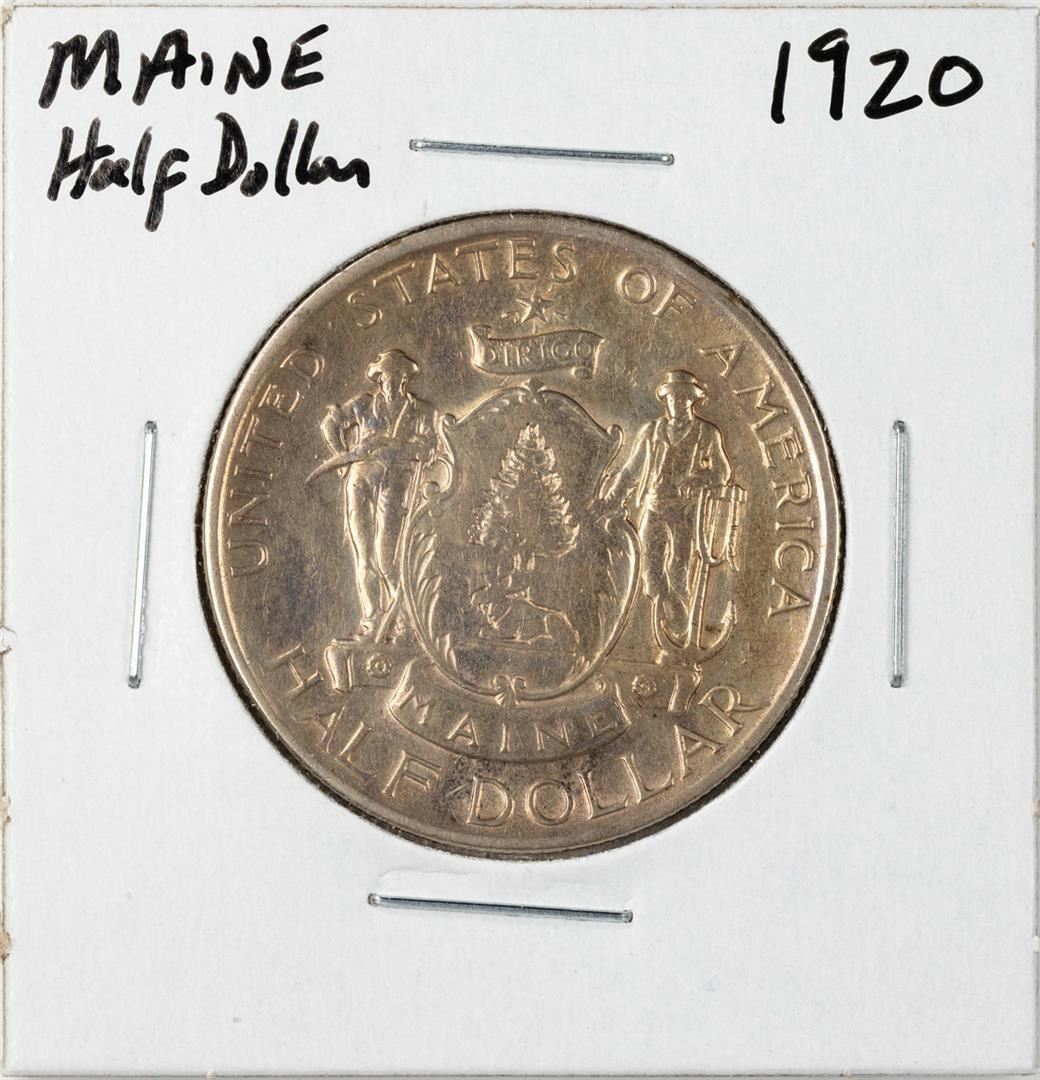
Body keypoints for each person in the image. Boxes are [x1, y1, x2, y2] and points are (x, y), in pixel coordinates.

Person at [600, 369, 734, 659]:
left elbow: (722, 472)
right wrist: (611, 498)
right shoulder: (652, 432)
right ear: (666, 400)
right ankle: (670, 617)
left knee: (679, 570)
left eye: (683, 397)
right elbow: (632, 470)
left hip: (687, 512)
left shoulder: (706, 433)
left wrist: (699, 478)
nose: (677, 402)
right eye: (673, 397)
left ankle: (678, 634)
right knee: (650, 570)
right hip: (654, 507)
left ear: (692, 400)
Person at [320, 349, 438, 641]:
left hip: (395, 483)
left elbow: (431, 448)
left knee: (388, 558)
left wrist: (400, 447)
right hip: (360, 480)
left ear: (405, 378)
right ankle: (372, 620)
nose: (391, 381)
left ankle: (406, 623)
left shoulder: (421, 411)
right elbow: (329, 424)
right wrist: (344, 457)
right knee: (364, 556)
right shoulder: (363, 404)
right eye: (386, 376)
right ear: (379, 378)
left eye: (397, 376)